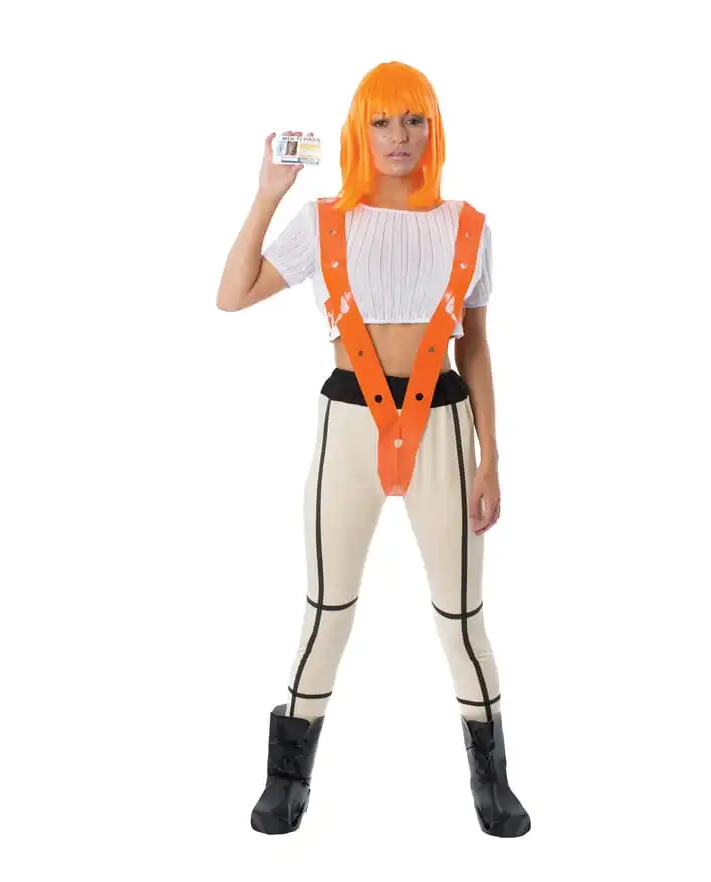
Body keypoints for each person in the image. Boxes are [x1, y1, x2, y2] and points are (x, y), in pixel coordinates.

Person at [216, 61, 531, 838]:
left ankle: (491, 779)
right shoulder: (324, 219)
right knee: (328, 605)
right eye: (383, 121)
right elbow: (232, 295)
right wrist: (268, 193)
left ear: (433, 129)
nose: (399, 137)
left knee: (462, 612)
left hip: (444, 425)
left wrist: (491, 457)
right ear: (360, 131)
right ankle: (287, 777)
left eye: (413, 119)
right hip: (348, 423)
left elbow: (476, 347)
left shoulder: (468, 225)